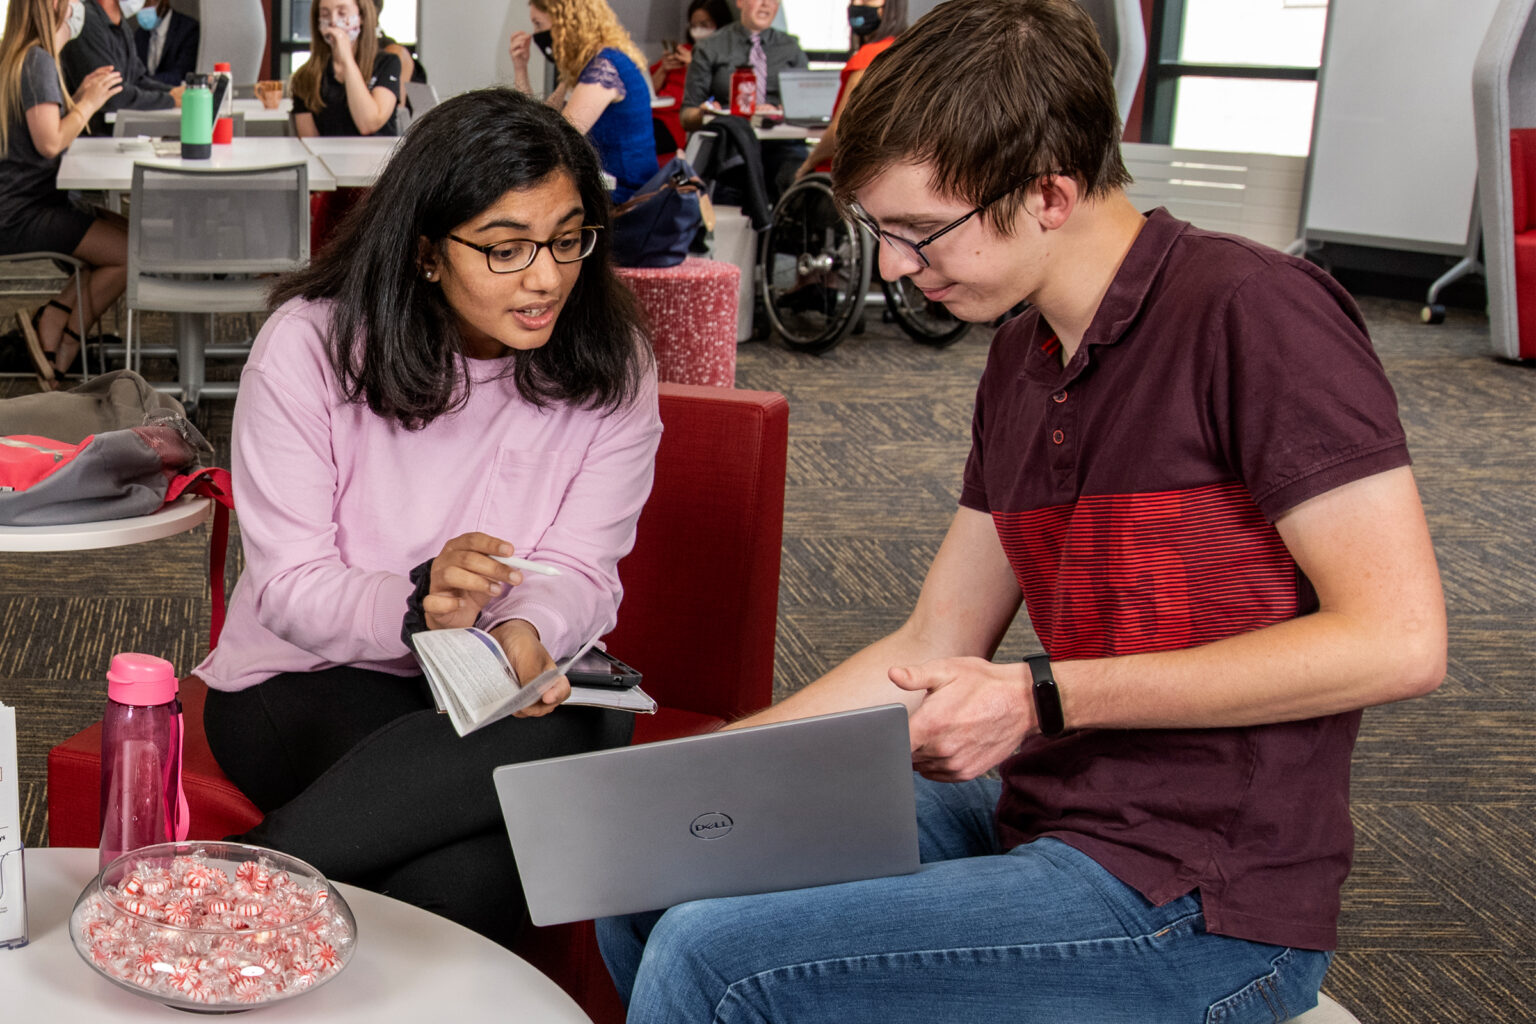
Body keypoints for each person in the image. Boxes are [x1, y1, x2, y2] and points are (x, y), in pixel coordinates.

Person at [597, 1, 1448, 1020]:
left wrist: (1041, 697)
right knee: (656, 870)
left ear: (1049, 192)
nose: (900, 267)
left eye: (920, 232)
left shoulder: (1255, 313)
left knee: (713, 956)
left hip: (1206, 895)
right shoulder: (1021, 355)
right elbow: (932, 636)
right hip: (1049, 804)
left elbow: (1398, 641)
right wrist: (707, 768)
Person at [196, 87, 660, 949]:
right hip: (306, 680)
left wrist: (522, 635)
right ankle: (234, 905)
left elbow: (584, 570)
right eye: (507, 248)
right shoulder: (311, 346)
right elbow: (292, 587)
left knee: (555, 766)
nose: (548, 276)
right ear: (425, 254)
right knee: (545, 783)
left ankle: (232, 887)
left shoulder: (612, 361)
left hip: (500, 687)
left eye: (567, 240)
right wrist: (418, 610)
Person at [0, 0, 128, 390]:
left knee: (123, 233)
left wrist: (84, 93)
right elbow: (50, 142)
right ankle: (61, 335)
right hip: (22, 213)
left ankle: (52, 325)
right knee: (129, 252)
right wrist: (90, 101)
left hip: (26, 203)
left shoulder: (23, 57)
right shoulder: (36, 60)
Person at [509, 0, 654, 203]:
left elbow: (554, 137)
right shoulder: (590, 65)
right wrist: (521, 68)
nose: (535, 34)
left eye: (539, 25)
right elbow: (540, 119)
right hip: (619, 187)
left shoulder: (603, 68)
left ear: (563, 23)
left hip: (623, 194)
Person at [680, 0, 806, 201]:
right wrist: (705, 113)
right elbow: (687, 116)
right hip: (732, 146)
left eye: (773, 1)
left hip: (782, 146)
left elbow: (804, 107)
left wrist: (782, 110)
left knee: (798, 177)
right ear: (740, 2)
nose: (766, 5)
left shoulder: (791, 47)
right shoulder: (710, 46)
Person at [795, 0, 905, 180]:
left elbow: (840, 131)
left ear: (889, 8)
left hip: (840, 178)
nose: (857, 3)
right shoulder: (906, 49)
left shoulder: (869, 56)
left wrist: (806, 166)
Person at [59, 0, 181, 134]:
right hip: (88, 140)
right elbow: (112, 94)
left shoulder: (121, 26)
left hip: (109, 137)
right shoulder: (88, 22)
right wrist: (169, 100)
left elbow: (137, 79)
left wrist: (174, 92)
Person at [290, 0, 398, 138]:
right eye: (325, 14)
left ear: (362, 17)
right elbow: (309, 142)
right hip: (327, 157)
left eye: (342, 13)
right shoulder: (305, 77)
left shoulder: (387, 63)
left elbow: (368, 124)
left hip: (378, 158)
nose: (333, 21)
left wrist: (346, 59)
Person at [650, 0, 732, 154]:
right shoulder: (682, 50)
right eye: (694, 26)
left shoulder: (721, 58)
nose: (698, 31)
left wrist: (695, 66)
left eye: (705, 25)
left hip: (677, 125)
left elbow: (718, 96)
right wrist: (663, 69)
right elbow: (647, 91)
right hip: (653, 116)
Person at [131, 0, 196, 87]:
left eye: (148, 2)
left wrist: (142, 83)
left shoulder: (188, 30)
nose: (143, 7)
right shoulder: (139, 34)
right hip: (146, 97)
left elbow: (181, 74)